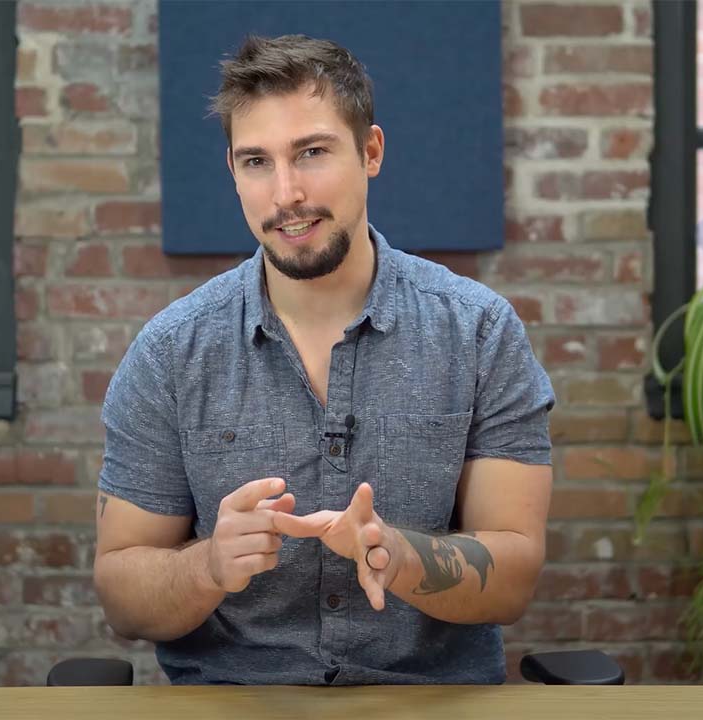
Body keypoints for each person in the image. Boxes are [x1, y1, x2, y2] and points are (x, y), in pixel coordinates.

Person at [93, 34, 555, 685]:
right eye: (257, 162)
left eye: (311, 152)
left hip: (429, 704)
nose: (286, 193)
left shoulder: (480, 333)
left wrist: (400, 557)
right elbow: (120, 594)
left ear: (371, 152)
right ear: (232, 171)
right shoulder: (171, 352)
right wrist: (209, 566)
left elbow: (514, 577)